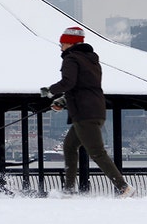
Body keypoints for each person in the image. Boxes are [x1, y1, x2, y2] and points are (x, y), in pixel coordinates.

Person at [43, 26, 136, 198]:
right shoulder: (91, 61)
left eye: (62, 43)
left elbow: (68, 83)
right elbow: (83, 87)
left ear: (69, 43)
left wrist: (50, 90)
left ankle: (123, 187)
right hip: (95, 111)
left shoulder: (71, 59)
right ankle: (69, 190)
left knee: (97, 152)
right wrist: (62, 102)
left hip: (85, 114)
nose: (61, 47)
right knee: (69, 146)